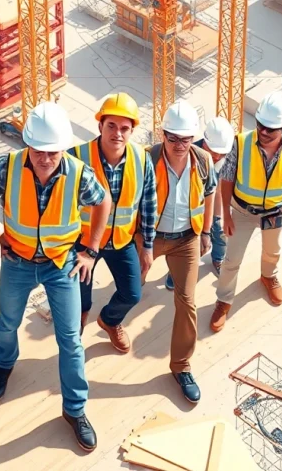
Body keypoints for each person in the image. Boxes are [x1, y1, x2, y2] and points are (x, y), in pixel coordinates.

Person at [0, 101, 112, 453]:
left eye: (53, 152)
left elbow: (103, 203)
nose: (45, 159)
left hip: (61, 264)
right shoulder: (7, 167)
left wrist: (91, 250)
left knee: (70, 339)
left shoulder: (77, 172)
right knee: (7, 322)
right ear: (27, 145)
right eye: (39, 151)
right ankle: (4, 364)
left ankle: (75, 410)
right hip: (18, 261)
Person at [211, 91, 282, 333]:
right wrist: (226, 215)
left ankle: (268, 276)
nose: (263, 132)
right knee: (231, 260)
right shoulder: (241, 142)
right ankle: (223, 300)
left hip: (275, 211)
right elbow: (226, 178)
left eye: (270, 129)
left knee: (273, 251)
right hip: (243, 211)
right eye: (260, 125)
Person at [70, 92, 157, 353]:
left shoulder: (142, 160)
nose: (117, 133)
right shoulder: (76, 157)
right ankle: (78, 327)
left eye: (124, 128)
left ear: (131, 132)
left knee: (132, 294)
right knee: (79, 300)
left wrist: (148, 246)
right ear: (100, 126)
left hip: (121, 241)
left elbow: (148, 204)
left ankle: (109, 321)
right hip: (83, 244)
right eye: (111, 126)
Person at [145, 101, 217, 403]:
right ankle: (111, 320)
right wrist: (142, 242)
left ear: (193, 139)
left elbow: (210, 192)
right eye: (172, 138)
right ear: (163, 135)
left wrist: (205, 231)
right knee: (129, 291)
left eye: (184, 139)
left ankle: (181, 366)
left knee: (187, 302)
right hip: (151, 238)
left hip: (186, 239)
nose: (178, 145)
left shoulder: (203, 161)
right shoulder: (148, 159)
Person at [166, 116, 232, 290]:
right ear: (204, 142)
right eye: (214, 151)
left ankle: (218, 259)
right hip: (187, 207)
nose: (217, 156)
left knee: (219, 232)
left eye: (221, 153)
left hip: (211, 204)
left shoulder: (227, 157)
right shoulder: (187, 154)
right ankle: (175, 273)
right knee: (181, 244)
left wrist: (216, 218)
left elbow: (217, 190)